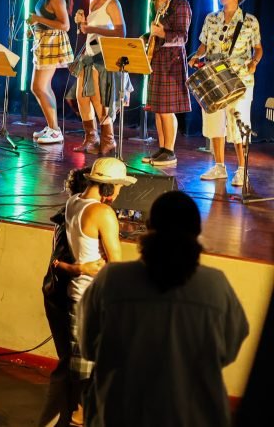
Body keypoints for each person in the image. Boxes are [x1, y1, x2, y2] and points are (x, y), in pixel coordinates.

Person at [79, 191, 248, 426]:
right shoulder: (216, 286)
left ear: (147, 227)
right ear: (197, 233)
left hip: (120, 414)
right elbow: (228, 351)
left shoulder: (111, 280)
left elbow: (88, 347)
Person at [62, 157, 132, 425]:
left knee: (82, 371)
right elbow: (115, 265)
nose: (117, 195)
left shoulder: (73, 202)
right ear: (108, 188)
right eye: (118, 189)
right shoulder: (103, 213)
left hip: (76, 298)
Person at [38, 166, 106, 427]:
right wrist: (80, 268)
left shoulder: (71, 210)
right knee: (71, 368)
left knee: (72, 367)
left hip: (57, 295)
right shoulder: (70, 217)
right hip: (62, 297)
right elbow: (57, 263)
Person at [189, 0, 263, 186]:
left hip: (239, 79)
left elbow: (258, 48)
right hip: (214, 76)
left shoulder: (250, 21)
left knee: (239, 123)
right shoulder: (211, 18)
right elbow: (203, 45)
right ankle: (219, 166)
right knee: (214, 121)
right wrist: (196, 55)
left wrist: (254, 62)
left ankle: (242, 169)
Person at [71, 0, 127, 155]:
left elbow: (121, 32)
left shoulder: (112, 3)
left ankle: (108, 139)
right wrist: (82, 23)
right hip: (88, 54)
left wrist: (92, 29)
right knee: (81, 97)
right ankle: (91, 138)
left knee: (98, 99)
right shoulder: (94, 2)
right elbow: (88, 31)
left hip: (103, 57)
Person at [141, 0, 192, 167]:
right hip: (156, 60)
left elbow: (182, 36)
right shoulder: (156, 6)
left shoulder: (180, 4)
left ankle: (170, 151)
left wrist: (163, 34)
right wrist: (145, 38)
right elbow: (154, 34)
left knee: (167, 109)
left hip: (172, 62)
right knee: (157, 109)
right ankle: (162, 149)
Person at [27, 0, 75, 145]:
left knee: (40, 86)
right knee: (38, 87)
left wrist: (38, 20)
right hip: (43, 42)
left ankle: (55, 130)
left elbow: (65, 25)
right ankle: (52, 126)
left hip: (52, 43)